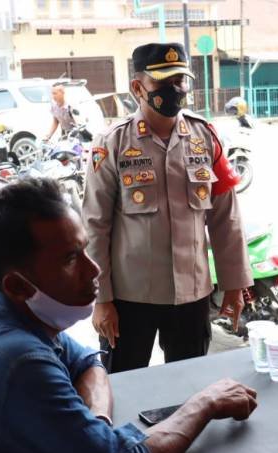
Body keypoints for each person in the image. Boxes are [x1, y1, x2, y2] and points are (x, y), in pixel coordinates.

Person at [0, 178, 258, 453]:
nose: (94, 269)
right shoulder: (19, 361)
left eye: (84, 249)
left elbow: (88, 361)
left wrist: (95, 429)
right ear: (18, 285)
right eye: (71, 259)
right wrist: (204, 403)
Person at [82, 42, 252, 373]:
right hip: (130, 298)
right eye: (163, 83)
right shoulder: (112, 143)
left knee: (189, 389)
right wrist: (101, 300)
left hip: (192, 294)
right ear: (137, 88)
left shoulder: (205, 137)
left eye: (181, 81)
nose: (175, 90)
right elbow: (94, 226)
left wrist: (235, 284)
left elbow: (225, 219)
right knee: (124, 386)